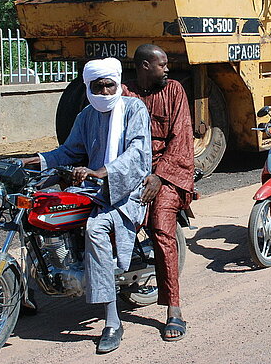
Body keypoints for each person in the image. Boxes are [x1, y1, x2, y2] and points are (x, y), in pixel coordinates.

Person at [21, 58, 151, 354]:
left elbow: (137, 152)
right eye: (98, 86)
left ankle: (113, 321)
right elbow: (69, 151)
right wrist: (37, 160)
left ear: (118, 84)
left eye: (109, 85)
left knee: (94, 228)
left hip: (127, 188)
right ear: (88, 86)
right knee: (39, 212)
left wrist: (102, 172)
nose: (105, 91)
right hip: (93, 186)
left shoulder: (134, 109)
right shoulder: (86, 115)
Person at [122, 44, 194, 341]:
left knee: (162, 230)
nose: (167, 69)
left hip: (168, 172)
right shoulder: (125, 93)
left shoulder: (174, 90)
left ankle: (174, 309)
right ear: (143, 66)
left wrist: (159, 176)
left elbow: (182, 138)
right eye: (161, 65)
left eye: (167, 64)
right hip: (131, 169)